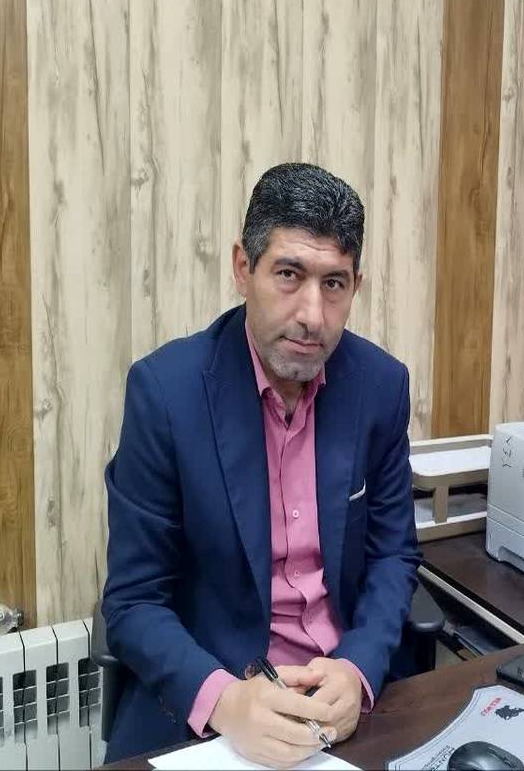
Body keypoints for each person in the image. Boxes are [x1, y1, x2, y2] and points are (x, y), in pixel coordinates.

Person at [102, 163, 421, 766]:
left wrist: (357, 669)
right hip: (218, 707)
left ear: (356, 286)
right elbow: (133, 601)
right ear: (242, 268)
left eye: (334, 283)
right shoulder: (166, 393)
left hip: (343, 706)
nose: (312, 315)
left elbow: (393, 556)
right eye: (289, 275)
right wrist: (225, 701)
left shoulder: (380, 386)